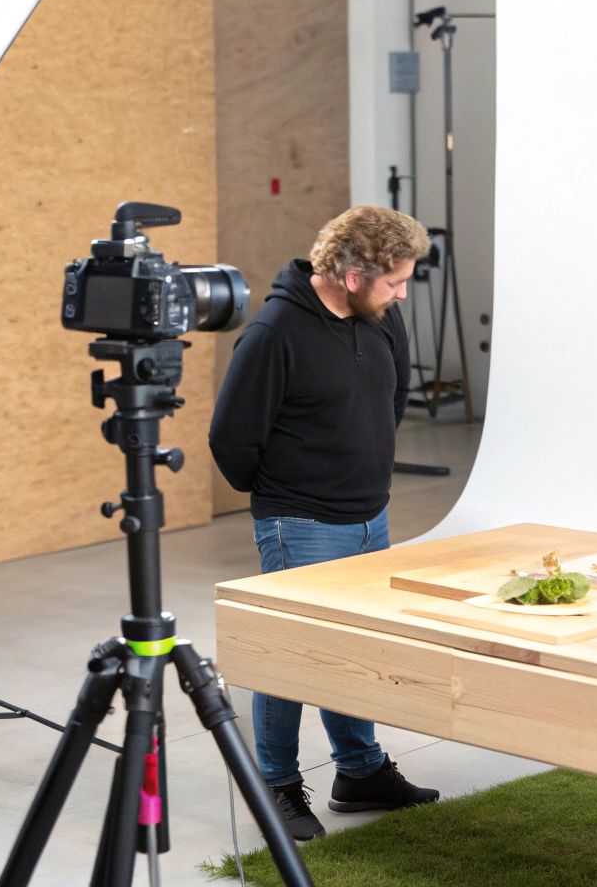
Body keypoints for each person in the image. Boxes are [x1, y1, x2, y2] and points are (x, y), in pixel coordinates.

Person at [209, 205, 441, 840]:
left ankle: (359, 771)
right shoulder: (274, 333)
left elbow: (389, 403)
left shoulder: (380, 321)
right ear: (352, 274)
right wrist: (289, 490)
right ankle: (276, 786)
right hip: (300, 522)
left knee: (354, 652)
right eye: (394, 281)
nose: (401, 293)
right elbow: (232, 441)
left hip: (371, 518)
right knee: (292, 660)